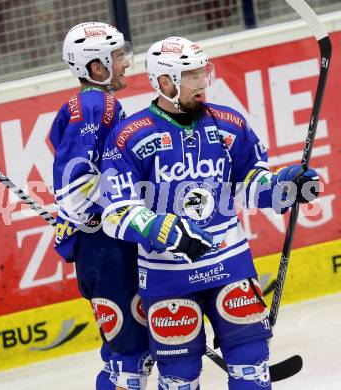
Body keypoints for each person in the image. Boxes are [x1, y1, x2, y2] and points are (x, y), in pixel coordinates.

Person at [100, 36, 320, 389]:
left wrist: (285, 186)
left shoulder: (228, 124)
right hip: (167, 276)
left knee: (251, 363)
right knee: (179, 377)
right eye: (191, 75)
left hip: (229, 264)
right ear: (164, 81)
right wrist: (164, 230)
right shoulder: (129, 137)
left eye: (204, 72)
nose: (202, 82)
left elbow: (249, 181)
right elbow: (115, 211)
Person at [49, 22, 153, 390]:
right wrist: (87, 209)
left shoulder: (89, 104)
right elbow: (75, 183)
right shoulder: (96, 102)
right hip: (104, 247)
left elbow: (61, 148)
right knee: (130, 359)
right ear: (96, 67)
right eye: (118, 56)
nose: (126, 63)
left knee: (123, 355)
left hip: (101, 245)